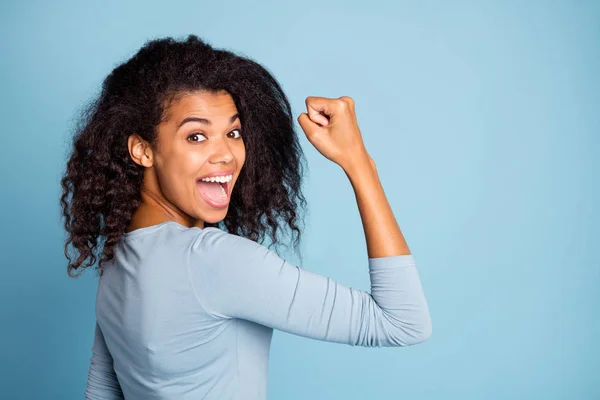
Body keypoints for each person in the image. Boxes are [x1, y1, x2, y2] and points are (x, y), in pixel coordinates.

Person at [60, 35, 432, 400]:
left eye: (233, 132)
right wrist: (359, 163)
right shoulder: (215, 260)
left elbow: (102, 391)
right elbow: (402, 322)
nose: (226, 154)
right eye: (196, 137)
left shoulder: (116, 259)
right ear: (143, 150)